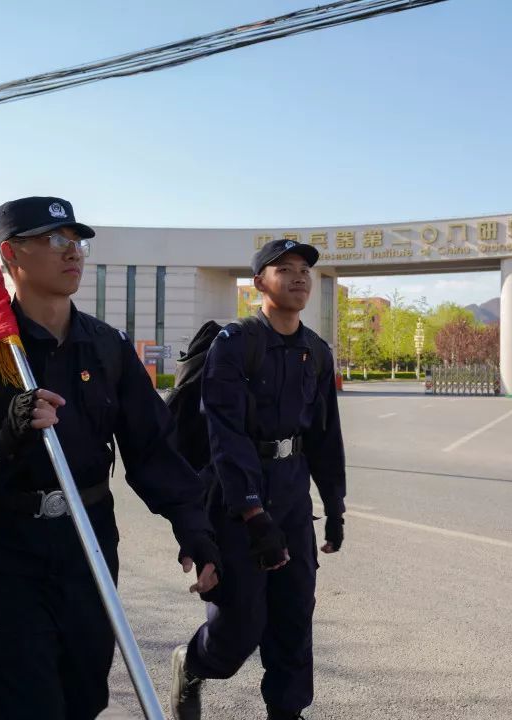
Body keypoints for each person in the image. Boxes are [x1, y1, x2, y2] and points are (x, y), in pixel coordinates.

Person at [0, 196, 221, 720]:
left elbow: (153, 448)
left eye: (77, 241)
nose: (72, 253)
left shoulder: (107, 346)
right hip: (0, 556)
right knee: (18, 700)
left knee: (80, 696)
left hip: (85, 546)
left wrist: (194, 528)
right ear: (9, 255)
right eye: (54, 240)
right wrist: (1, 441)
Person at [171, 239, 347, 720]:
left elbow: (326, 436)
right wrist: (253, 514)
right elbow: (223, 433)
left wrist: (334, 507)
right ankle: (194, 663)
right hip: (235, 497)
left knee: (294, 618)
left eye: (305, 272)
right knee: (240, 627)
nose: (298, 278)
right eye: (284, 269)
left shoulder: (316, 350)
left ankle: (287, 712)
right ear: (258, 284)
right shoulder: (235, 345)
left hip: (291, 493)